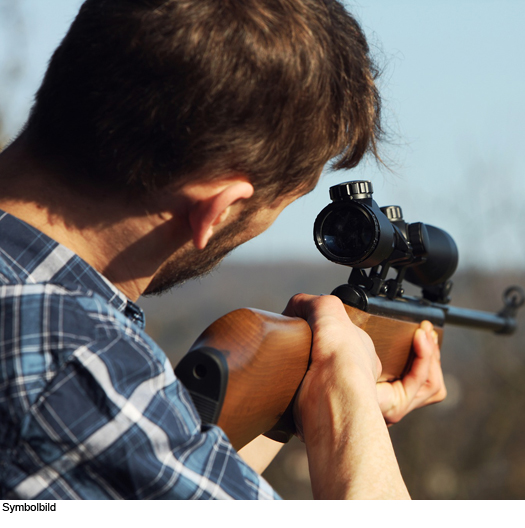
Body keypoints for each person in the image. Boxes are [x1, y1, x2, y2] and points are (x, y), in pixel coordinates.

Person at [0, 0, 446, 500]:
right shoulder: (73, 366)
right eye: (283, 204)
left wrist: (299, 401)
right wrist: (350, 406)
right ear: (219, 208)